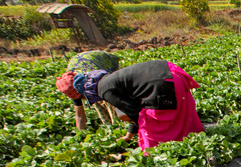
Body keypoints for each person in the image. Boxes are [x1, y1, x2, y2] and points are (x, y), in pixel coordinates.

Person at [57, 60, 204, 151]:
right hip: (169, 73)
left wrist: (134, 134)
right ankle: (190, 140)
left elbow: (135, 113)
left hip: (163, 82)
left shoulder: (105, 90)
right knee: (181, 114)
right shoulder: (105, 80)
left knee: (154, 125)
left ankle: (159, 151)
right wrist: (129, 135)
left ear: (85, 93)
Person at [56, 50, 121, 131]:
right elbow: (79, 115)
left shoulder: (93, 80)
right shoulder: (70, 87)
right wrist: (80, 134)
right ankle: (110, 127)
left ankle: (122, 125)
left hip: (104, 61)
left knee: (113, 99)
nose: (83, 99)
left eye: (82, 96)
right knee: (96, 102)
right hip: (82, 62)